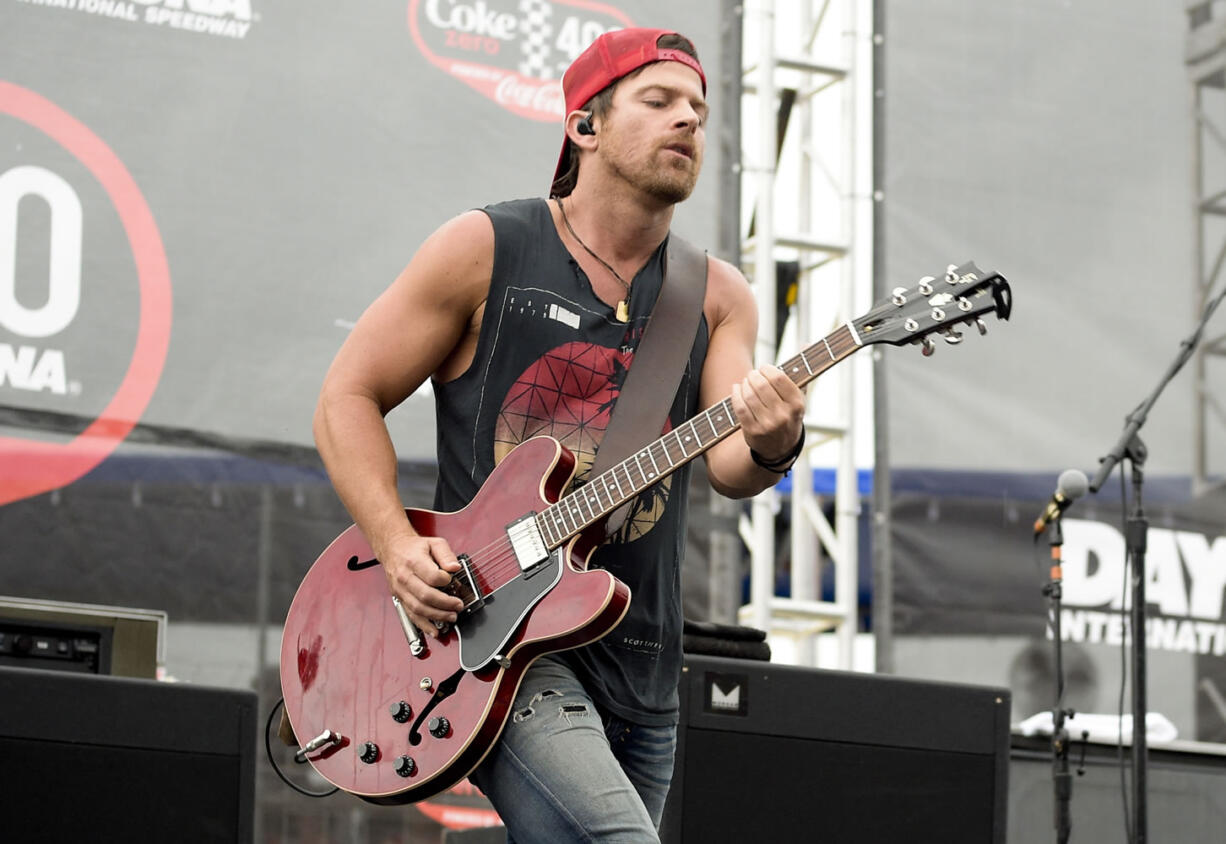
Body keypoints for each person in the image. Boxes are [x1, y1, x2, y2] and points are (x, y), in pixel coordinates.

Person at [312, 27, 806, 843]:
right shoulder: (484, 249)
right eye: (659, 101)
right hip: (501, 643)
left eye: (698, 109)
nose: (688, 120)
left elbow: (731, 465)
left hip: (643, 657)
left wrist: (776, 438)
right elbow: (346, 396)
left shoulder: (717, 295)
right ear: (585, 126)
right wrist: (397, 547)